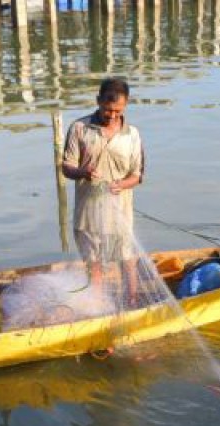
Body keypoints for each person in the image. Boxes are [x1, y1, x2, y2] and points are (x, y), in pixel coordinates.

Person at [61, 77, 146, 305]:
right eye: (108, 110)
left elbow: (137, 176)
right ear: (98, 101)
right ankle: (98, 308)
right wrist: (82, 172)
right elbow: (66, 167)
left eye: (118, 111)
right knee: (94, 264)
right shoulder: (80, 128)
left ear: (125, 105)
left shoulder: (132, 134)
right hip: (88, 215)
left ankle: (132, 301)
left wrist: (121, 184)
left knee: (127, 260)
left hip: (120, 213)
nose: (112, 116)